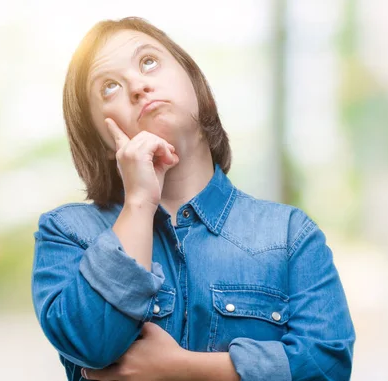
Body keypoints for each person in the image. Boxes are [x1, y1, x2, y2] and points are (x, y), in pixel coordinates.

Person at [31, 16, 355, 381]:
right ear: (100, 141)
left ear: (195, 84)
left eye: (148, 62)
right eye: (108, 87)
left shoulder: (289, 235)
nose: (137, 85)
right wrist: (139, 201)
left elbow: (327, 365)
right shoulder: (67, 232)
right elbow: (91, 344)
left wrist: (179, 368)